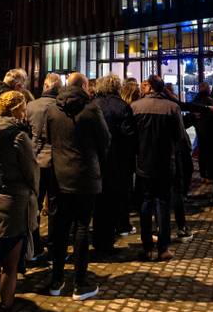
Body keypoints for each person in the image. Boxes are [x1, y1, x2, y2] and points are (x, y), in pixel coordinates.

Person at [45, 81, 110, 299]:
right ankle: (80, 283)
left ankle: (56, 279)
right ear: (83, 86)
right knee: (82, 227)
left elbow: (49, 138)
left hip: (59, 175)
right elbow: (105, 139)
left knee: (61, 228)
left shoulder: (53, 109)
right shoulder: (91, 109)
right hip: (85, 174)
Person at [0, 91, 38, 312]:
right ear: (16, 109)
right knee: (10, 266)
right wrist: (34, 192)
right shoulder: (19, 136)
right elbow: (32, 171)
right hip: (13, 204)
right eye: (23, 107)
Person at [132, 75, 183, 261]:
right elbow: (179, 137)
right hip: (164, 163)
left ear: (150, 87)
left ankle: (147, 247)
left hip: (144, 162)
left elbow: (130, 135)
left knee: (145, 203)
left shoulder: (135, 107)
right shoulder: (172, 108)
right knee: (163, 203)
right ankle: (163, 247)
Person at [90, 73, 134, 252]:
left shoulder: (93, 105)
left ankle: (97, 238)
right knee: (113, 200)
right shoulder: (123, 106)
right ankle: (107, 241)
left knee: (98, 202)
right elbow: (128, 136)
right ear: (117, 87)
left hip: (96, 159)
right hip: (117, 161)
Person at [26, 73, 62, 262]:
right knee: (55, 206)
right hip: (56, 161)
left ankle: (34, 245)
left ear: (45, 86)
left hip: (36, 160)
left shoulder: (31, 106)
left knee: (35, 204)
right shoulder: (61, 107)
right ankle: (55, 245)